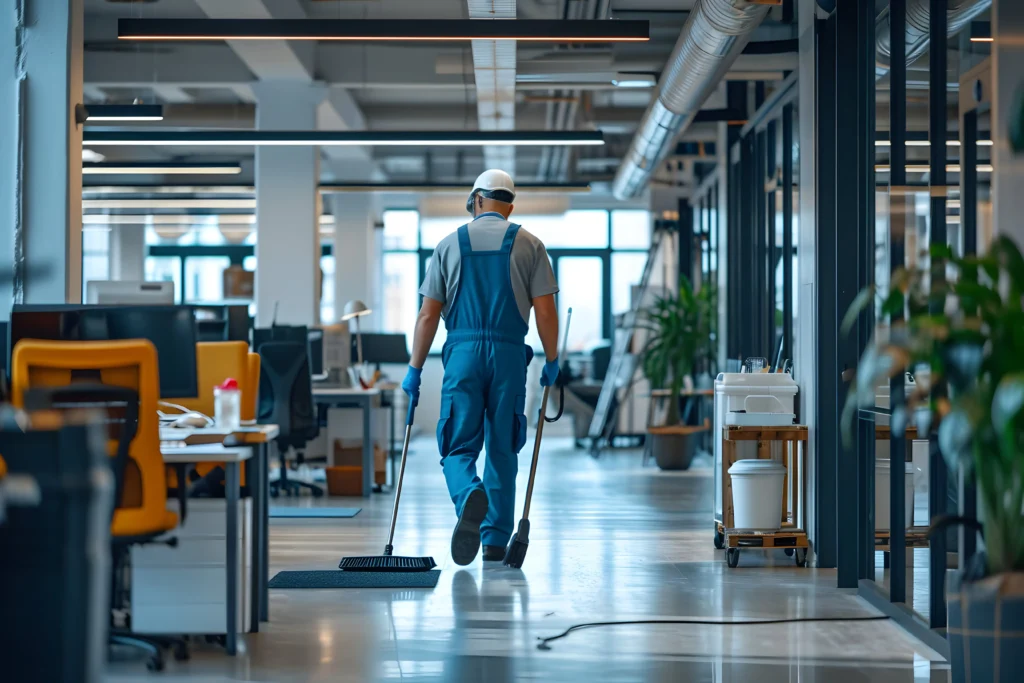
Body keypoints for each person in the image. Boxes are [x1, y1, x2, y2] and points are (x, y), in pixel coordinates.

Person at [401, 169, 561, 565]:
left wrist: (415, 369)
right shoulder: (531, 245)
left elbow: (427, 316)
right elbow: (545, 312)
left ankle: (469, 493)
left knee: (457, 446)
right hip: (509, 357)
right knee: (503, 448)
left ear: (476, 200)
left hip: (464, 355)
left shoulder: (448, 245)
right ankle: (493, 541)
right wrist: (553, 360)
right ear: (510, 206)